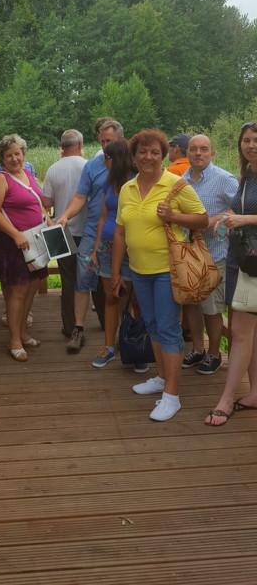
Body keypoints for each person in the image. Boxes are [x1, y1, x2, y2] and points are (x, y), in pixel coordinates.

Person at [111, 129, 208, 421]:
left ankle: (172, 395)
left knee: (168, 329)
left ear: (163, 155)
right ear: (134, 155)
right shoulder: (127, 188)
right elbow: (119, 231)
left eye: (154, 152)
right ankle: (161, 378)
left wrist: (174, 216)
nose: (148, 157)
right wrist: (116, 272)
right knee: (152, 325)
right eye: (142, 152)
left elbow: (202, 219)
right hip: (139, 271)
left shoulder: (176, 185)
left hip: (168, 270)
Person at [205, 121, 257, 425]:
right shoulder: (247, 176)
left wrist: (242, 218)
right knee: (251, 333)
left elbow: (247, 216)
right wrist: (228, 217)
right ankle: (253, 392)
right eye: (246, 140)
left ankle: (226, 400)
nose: (250, 145)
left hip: (254, 266)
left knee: (238, 333)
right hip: (243, 261)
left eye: (255, 140)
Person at [57, 118, 124, 352]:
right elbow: (80, 197)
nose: (105, 145)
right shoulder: (93, 166)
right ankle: (78, 330)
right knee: (82, 281)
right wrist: (65, 216)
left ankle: (125, 333)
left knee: (122, 285)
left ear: (121, 139)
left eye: (110, 141)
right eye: (102, 140)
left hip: (124, 237)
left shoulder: (133, 165)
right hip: (92, 232)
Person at [0, 134, 51, 361]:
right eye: (9, 155)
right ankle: (13, 339)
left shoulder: (28, 174)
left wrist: (47, 217)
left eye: (17, 154)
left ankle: (23, 332)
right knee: (18, 292)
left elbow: (38, 202)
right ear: (2, 159)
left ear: (24, 154)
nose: (14, 158)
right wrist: (14, 234)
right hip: (15, 243)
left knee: (32, 288)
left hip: (35, 240)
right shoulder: (0, 179)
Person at [182, 135, 238, 375]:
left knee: (212, 307)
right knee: (191, 305)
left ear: (212, 153)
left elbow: (240, 209)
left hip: (216, 253)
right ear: (187, 153)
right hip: (189, 255)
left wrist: (214, 221)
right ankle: (198, 348)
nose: (198, 153)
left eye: (204, 149)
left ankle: (214, 354)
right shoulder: (181, 180)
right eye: (193, 149)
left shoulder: (225, 179)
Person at [89, 139, 139, 369]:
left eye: (106, 157)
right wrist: (95, 249)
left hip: (133, 249)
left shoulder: (137, 182)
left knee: (136, 300)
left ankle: (137, 346)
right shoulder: (110, 183)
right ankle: (109, 347)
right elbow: (102, 217)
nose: (103, 161)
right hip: (107, 248)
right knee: (111, 297)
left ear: (115, 158)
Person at [42, 129, 87, 338]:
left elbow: (46, 203)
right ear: (79, 145)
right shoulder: (88, 166)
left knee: (68, 280)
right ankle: (105, 324)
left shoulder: (52, 169)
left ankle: (69, 327)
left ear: (62, 146)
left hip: (61, 230)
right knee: (89, 279)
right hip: (86, 229)